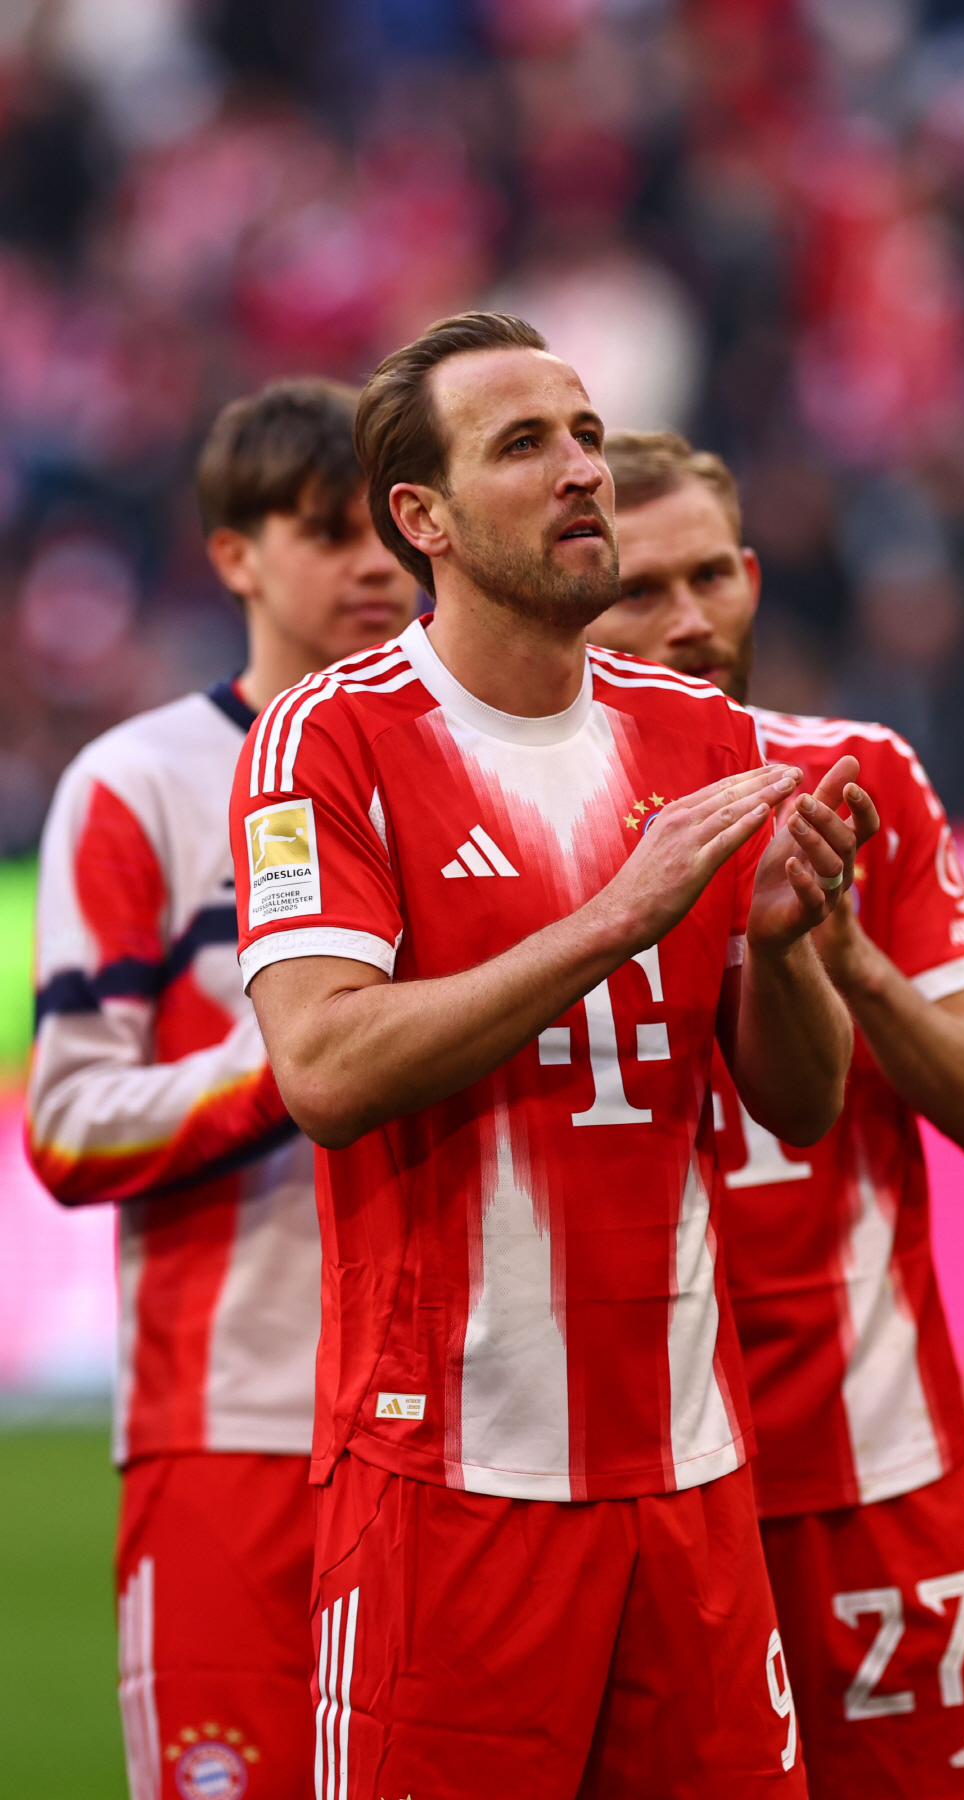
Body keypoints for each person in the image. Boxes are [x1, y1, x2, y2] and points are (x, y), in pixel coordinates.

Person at [229, 311, 879, 1800]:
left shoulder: (699, 735)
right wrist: (618, 916)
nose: (583, 469)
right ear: (426, 520)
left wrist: (781, 947)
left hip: (692, 1475)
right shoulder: (327, 740)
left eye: (584, 433)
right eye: (525, 445)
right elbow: (323, 1069)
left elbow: (800, 1095)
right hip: (448, 1484)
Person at [587, 429, 964, 1800]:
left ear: (756, 576)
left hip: (863, 1458)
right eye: (639, 588)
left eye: (712, 575)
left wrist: (843, 955)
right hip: (625, 1474)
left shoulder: (864, 777)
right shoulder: (518, 817)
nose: (689, 619)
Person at [27, 379, 416, 1800]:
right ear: (234, 554)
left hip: (461, 1429)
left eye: (389, 528)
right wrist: (310, 1056)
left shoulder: (466, 763)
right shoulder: (141, 784)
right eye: (325, 531)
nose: (374, 564)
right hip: (231, 1421)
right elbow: (67, 1121)